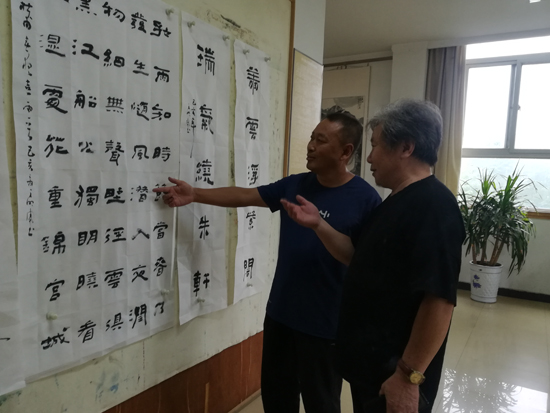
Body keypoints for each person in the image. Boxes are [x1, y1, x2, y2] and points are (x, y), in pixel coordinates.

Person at [153, 112, 381, 413]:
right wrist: (195, 194)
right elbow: (246, 195)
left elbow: (359, 261)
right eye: (311, 137)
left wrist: (319, 225)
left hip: (325, 326)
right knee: (277, 399)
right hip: (281, 316)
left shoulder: (366, 199)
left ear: (345, 152)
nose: (310, 145)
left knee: (322, 404)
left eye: (321, 140)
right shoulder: (296, 185)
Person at [281, 99, 466, 413]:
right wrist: (318, 224)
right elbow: (357, 256)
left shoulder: (434, 207)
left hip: (394, 377)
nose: (368, 157)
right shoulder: (394, 202)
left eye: (376, 145)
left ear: (405, 147)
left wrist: (407, 377)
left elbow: (439, 302)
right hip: (373, 371)